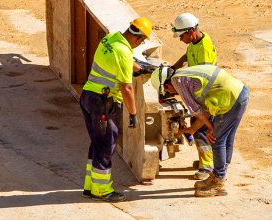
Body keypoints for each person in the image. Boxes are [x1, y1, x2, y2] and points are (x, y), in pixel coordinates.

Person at [80, 17, 153, 202]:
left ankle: (91, 186)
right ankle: (102, 191)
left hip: (88, 95)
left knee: (97, 143)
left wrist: (139, 68)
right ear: (139, 39)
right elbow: (126, 88)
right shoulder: (123, 52)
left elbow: (123, 61)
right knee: (105, 146)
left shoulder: (111, 38)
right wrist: (133, 114)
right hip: (104, 102)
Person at [150, 65, 249, 197]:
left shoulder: (177, 81)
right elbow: (205, 111)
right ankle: (219, 175)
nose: (172, 93)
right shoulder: (185, 75)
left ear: (166, 84)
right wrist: (192, 129)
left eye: (167, 90)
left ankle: (218, 183)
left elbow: (196, 111)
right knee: (227, 138)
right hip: (240, 94)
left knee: (216, 139)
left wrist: (210, 128)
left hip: (230, 99)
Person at [171, 13, 217, 180]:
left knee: (201, 129)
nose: (180, 39)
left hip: (205, 93)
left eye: (182, 35)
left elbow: (203, 78)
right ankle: (206, 160)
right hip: (199, 91)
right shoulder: (195, 41)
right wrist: (173, 68)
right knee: (198, 126)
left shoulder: (204, 48)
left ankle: (207, 168)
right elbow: (187, 55)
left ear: (190, 31)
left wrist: (180, 87)